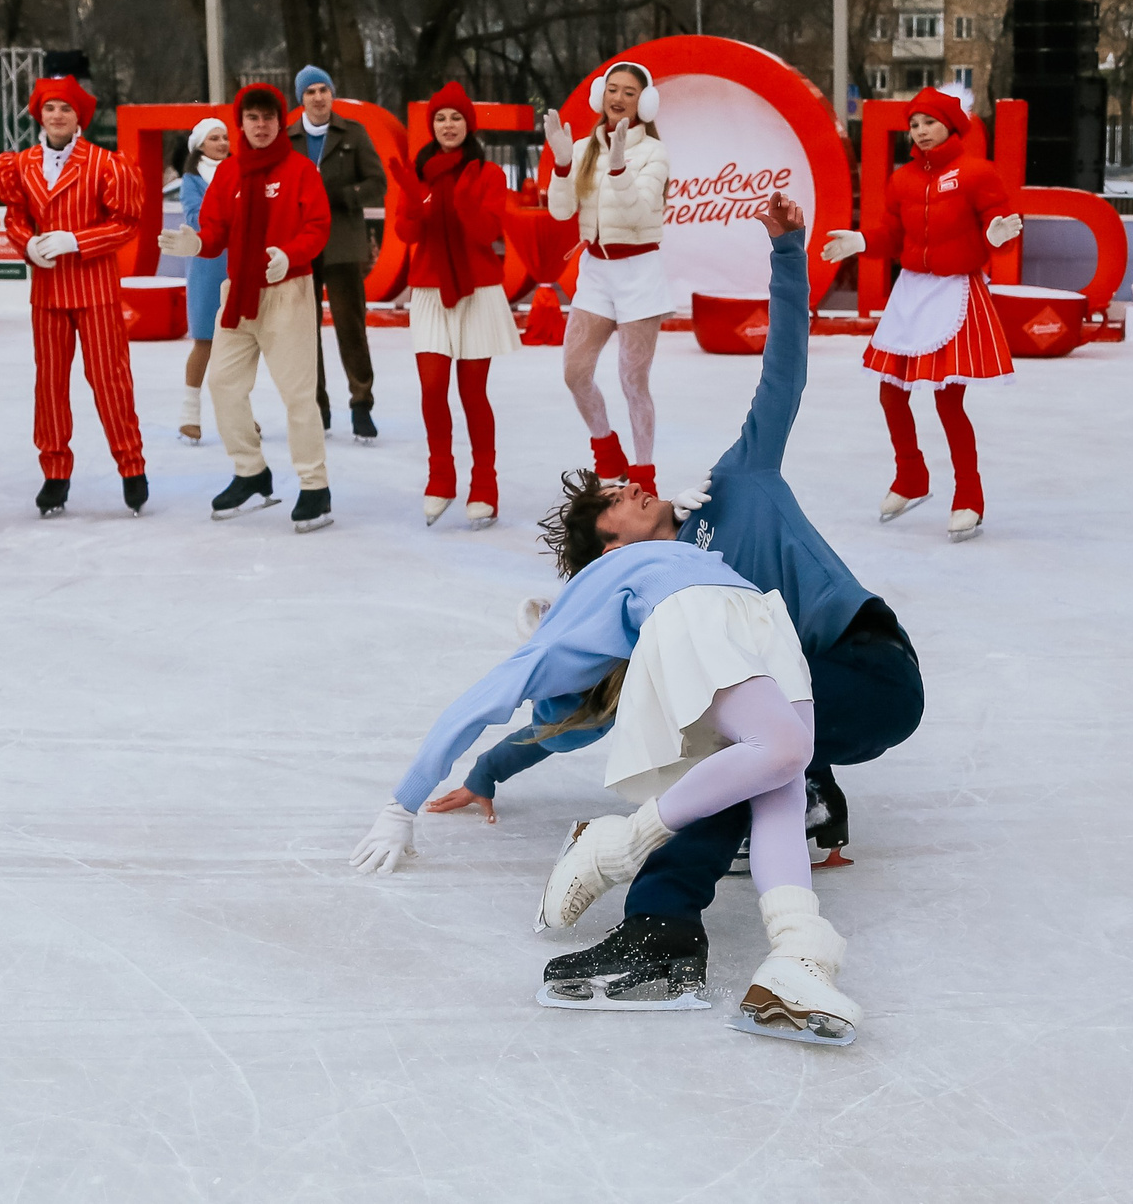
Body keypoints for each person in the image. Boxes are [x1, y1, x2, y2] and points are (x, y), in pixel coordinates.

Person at [351, 195, 908, 1045]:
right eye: (614, 498)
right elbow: (570, 702)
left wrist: (788, 252)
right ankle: (784, 943)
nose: (631, 484)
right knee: (750, 760)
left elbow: (783, 372)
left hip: (860, 658)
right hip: (783, 680)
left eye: (623, 483)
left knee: (737, 756)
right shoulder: (635, 590)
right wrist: (485, 770)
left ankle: (650, 899)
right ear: (605, 544)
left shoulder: (737, 485)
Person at [821, 86, 1022, 540]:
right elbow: (893, 234)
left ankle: (969, 495)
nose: (921, 131)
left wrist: (997, 237)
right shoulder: (903, 179)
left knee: (948, 401)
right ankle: (911, 476)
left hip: (955, 291)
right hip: (911, 292)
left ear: (950, 124)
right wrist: (862, 241)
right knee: (891, 392)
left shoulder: (977, 173)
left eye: (929, 121)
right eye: (914, 124)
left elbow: (1000, 230)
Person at [158, 82, 335, 533]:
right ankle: (250, 472)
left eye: (268, 117)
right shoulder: (230, 174)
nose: (261, 125)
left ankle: (315, 486)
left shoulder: (300, 170)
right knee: (222, 383)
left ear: (279, 122)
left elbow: (317, 226)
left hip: (287, 292)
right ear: (242, 124)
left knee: (298, 394)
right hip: (238, 294)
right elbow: (215, 230)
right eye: (252, 118)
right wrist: (195, 243)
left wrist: (289, 255)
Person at [0, 73, 150, 517]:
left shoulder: (105, 163)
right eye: (50, 108)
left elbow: (126, 223)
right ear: (38, 115)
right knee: (50, 385)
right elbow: (15, 215)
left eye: (66, 108)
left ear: (80, 117)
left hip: (94, 288)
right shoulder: (20, 164)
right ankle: (55, 473)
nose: (57, 115)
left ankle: (131, 465)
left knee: (109, 380)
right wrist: (27, 244)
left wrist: (76, 240)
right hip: (47, 292)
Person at [386, 82, 519, 528]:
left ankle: (485, 482)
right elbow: (407, 234)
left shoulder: (488, 173)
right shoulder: (418, 173)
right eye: (441, 118)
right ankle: (441, 475)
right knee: (432, 387)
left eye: (456, 117)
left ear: (469, 124)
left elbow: (487, 234)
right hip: (429, 290)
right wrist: (413, 201)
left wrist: (461, 201)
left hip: (477, 290)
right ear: (432, 126)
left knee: (472, 392)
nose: (448, 125)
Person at [544, 60, 672, 493]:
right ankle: (607, 453)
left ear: (644, 103)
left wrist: (618, 169)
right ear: (600, 95)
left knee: (633, 381)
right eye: (613, 89)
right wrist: (564, 164)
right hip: (595, 273)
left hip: (639, 274)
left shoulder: (654, 153)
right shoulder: (583, 148)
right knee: (575, 373)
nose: (618, 98)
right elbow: (561, 210)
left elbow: (637, 213)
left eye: (629, 92)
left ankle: (644, 477)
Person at [288, 65, 386, 440]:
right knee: (303, 330)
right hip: (300, 245)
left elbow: (377, 182)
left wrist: (345, 196)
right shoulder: (288, 138)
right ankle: (317, 407)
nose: (318, 97)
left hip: (344, 242)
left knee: (350, 326)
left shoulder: (353, 133)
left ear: (332, 94)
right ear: (301, 99)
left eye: (323, 90)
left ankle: (361, 404)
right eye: (310, 91)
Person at [176, 115, 231, 445]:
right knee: (205, 341)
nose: (222, 143)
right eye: (214, 138)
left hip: (237, 266)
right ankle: (189, 414)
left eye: (225, 137)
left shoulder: (240, 173)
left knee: (238, 345)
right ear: (199, 145)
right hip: (207, 267)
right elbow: (196, 219)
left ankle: (238, 414)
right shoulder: (191, 180)